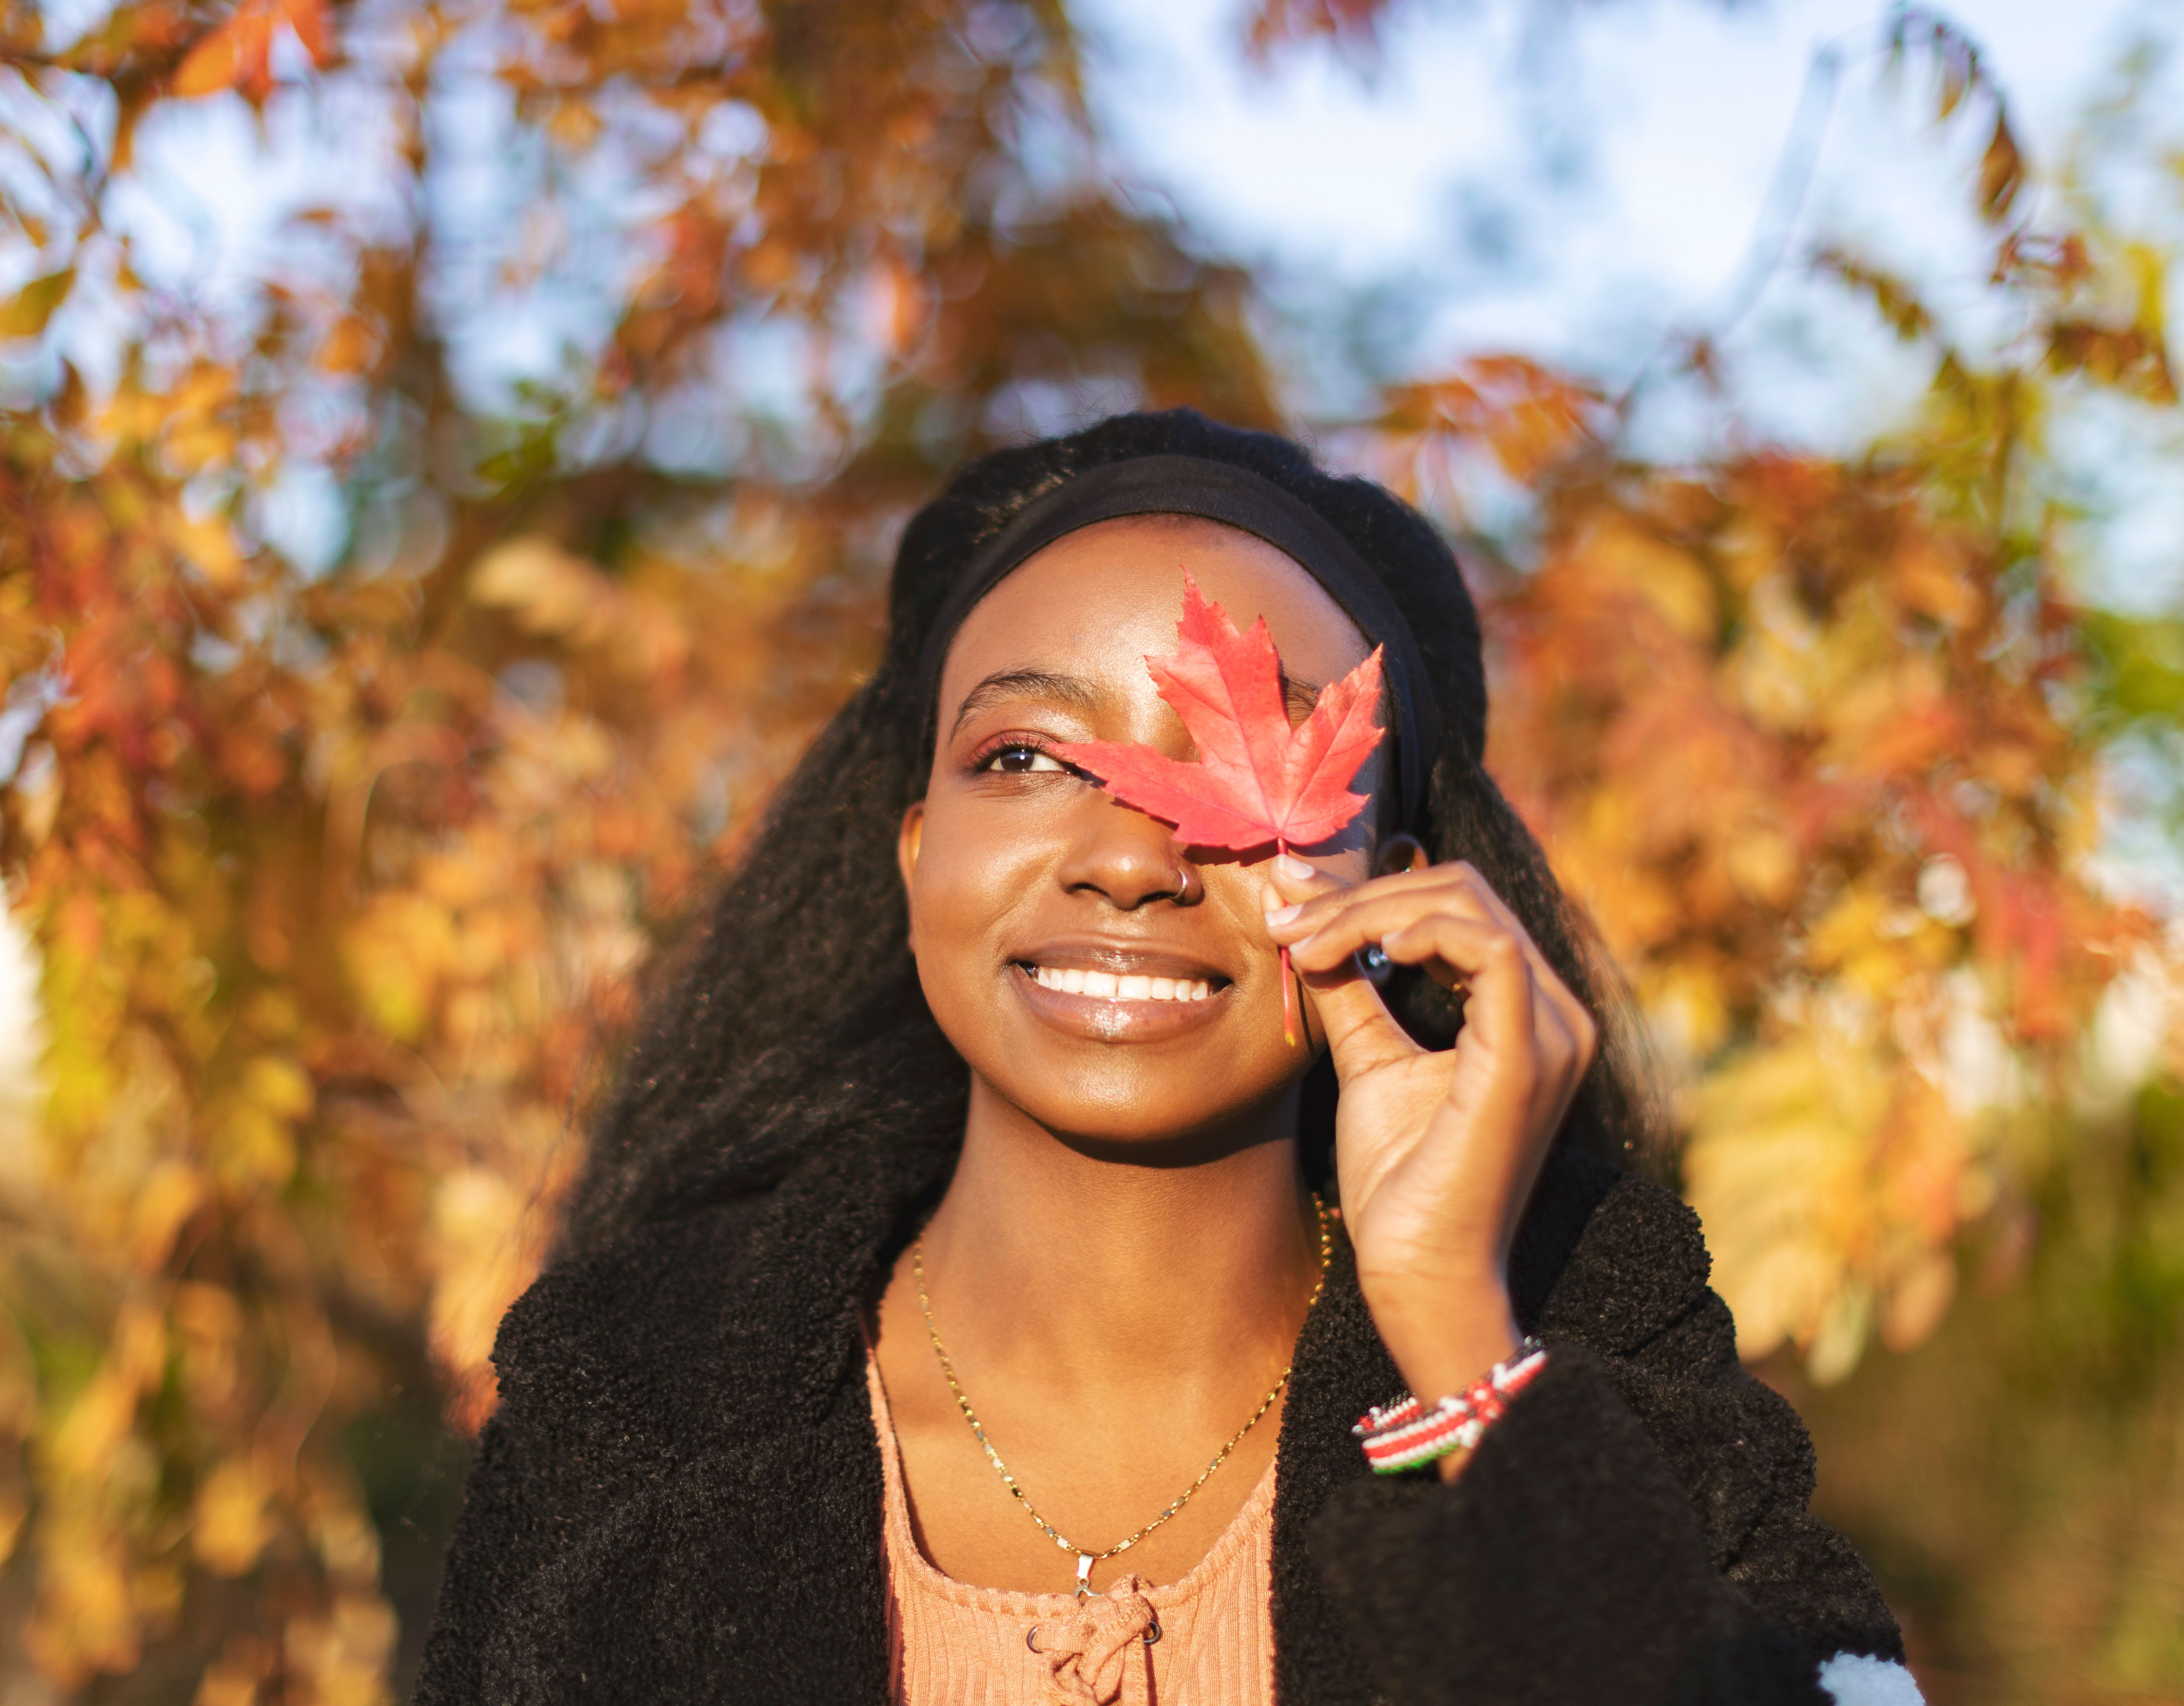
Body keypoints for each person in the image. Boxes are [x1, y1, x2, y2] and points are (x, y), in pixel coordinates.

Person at [413, 413, 1921, 1705]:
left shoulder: (1603, 1367)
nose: (1134, 856)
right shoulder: (638, 1401)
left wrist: (1461, 1350)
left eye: (1248, 776)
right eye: (1026, 760)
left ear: (1394, 881)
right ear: (917, 855)